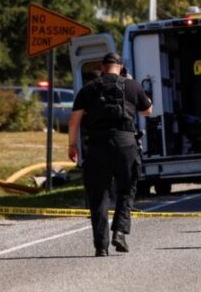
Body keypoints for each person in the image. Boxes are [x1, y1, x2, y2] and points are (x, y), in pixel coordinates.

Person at [69, 52, 152, 256]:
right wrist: (133, 85)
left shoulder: (88, 89)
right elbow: (148, 110)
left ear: (102, 67)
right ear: (121, 67)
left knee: (98, 196)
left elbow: (74, 120)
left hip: (97, 146)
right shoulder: (132, 86)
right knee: (127, 189)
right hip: (126, 145)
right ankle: (120, 232)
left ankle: (101, 246)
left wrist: (72, 145)